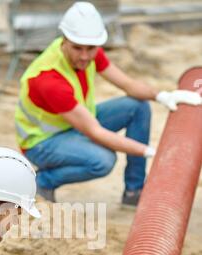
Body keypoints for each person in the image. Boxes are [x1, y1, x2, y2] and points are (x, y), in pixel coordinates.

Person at [15, 2, 202, 206]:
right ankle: (42, 181)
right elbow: (96, 132)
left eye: (91, 49)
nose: (85, 56)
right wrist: (151, 152)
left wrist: (163, 96)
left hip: (74, 123)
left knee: (137, 106)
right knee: (103, 160)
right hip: (42, 143)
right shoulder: (49, 80)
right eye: (78, 48)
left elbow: (128, 85)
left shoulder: (87, 52)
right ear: (65, 40)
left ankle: (134, 191)